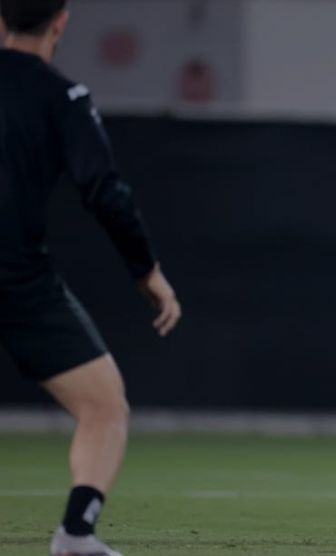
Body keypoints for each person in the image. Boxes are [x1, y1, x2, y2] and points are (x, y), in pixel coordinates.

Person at [0, 1, 182, 555]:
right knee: (104, 408)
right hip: (18, 280)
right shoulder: (63, 97)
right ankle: (77, 534)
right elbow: (105, 192)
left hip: (21, 278)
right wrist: (147, 272)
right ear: (61, 21)